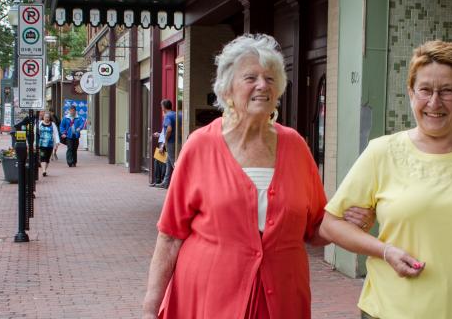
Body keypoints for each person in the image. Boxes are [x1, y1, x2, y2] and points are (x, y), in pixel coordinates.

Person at [141, 34, 371, 319]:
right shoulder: (200, 145)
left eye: (270, 79)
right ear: (228, 89)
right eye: (251, 78)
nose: (262, 85)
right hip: (210, 297)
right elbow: (170, 237)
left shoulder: (296, 146)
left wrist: (342, 221)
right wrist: (151, 308)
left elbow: (314, 229)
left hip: (282, 296)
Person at [319, 40, 452, 319]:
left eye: (447, 91)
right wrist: (384, 250)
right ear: (411, 92)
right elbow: (330, 224)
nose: (434, 102)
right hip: (392, 310)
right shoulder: (382, 152)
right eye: (425, 90)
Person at [151, 99, 179, 188]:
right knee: (168, 162)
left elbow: (169, 129)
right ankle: (165, 182)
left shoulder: (167, 116)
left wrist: (165, 141)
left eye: (161, 106)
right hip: (177, 141)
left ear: (163, 107)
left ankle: (181, 183)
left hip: (170, 142)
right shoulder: (176, 114)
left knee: (173, 163)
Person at [37, 111, 60, 176]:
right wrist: (35, 142)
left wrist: (57, 142)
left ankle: (45, 170)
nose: (47, 118)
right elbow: (35, 132)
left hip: (50, 144)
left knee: (47, 158)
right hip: (41, 144)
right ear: (43, 117)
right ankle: (44, 170)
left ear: (50, 118)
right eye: (45, 117)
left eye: (48, 117)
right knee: (42, 157)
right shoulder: (39, 123)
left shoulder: (52, 124)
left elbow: (56, 133)